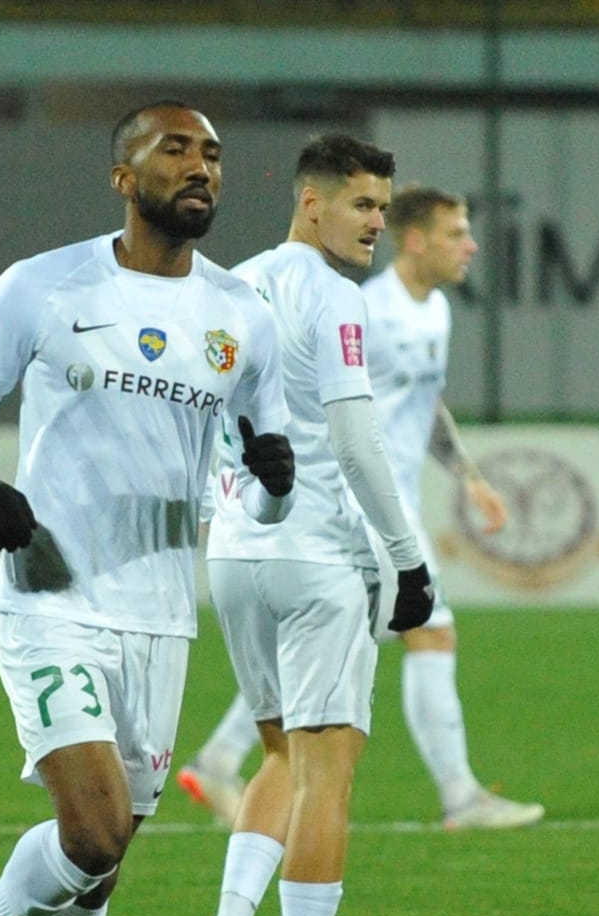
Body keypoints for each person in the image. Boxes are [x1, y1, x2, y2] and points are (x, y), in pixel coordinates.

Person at [0, 100, 297, 916]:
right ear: (120, 174)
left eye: (213, 154)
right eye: (175, 149)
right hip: (50, 595)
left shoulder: (243, 319)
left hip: (160, 621)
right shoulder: (44, 284)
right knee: (85, 829)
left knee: (99, 870)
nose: (201, 168)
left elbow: (257, 489)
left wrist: (273, 485)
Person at [179, 185, 544, 832]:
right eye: (457, 233)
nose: (471, 245)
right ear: (417, 239)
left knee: (341, 642)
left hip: (384, 503)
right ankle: (460, 796)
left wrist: (467, 474)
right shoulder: (365, 310)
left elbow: (423, 403)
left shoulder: (434, 314)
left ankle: (219, 756)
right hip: (355, 507)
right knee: (427, 631)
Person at [193, 133, 435, 916]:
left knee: (282, 754)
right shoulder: (334, 296)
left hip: (235, 550)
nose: (377, 221)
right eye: (363, 204)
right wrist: (409, 559)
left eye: (382, 205)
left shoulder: (230, 284)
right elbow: (356, 440)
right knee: (329, 772)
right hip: (316, 555)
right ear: (312, 203)